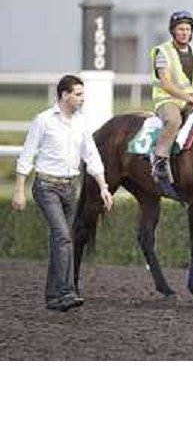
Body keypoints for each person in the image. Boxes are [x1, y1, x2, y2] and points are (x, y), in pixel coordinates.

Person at [12, 74, 113, 311]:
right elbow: (27, 155)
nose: (82, 98)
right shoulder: (43, 121)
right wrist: (19, 190)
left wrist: (103, 187)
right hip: (46, 187)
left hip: (70, 188)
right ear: (64, 95)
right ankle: (67, 292)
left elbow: (91, 156)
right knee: (64, 238)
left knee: (60, 241)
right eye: (78, 94)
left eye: (82, 94)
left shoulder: (81, 122)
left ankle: (52, 297)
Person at [150, 10, 193, 182]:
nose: (185, 32)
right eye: (180, 29)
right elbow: (166, 83)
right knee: (174, 121)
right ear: (173, 31)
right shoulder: (162, 52)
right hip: (167, 100)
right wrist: (189, 98)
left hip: (191, 100)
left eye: (188, 29)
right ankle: (160, 160)